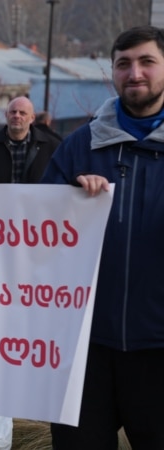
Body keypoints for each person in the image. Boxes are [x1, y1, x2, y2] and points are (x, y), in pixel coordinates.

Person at [40, 25, 164, 449]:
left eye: (147, 61)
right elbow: (31, 230)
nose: (135, 74)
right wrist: (67, 204)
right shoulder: (79, 146)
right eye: (124, 64)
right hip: (84, 349)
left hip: (159, 346)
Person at [0, 96, 60, 183]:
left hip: (37, 198)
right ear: (6, 115)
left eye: (22, 113)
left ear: (32, 118)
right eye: (13, 112)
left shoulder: (51, 147)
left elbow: (62, 178)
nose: (17, 116)